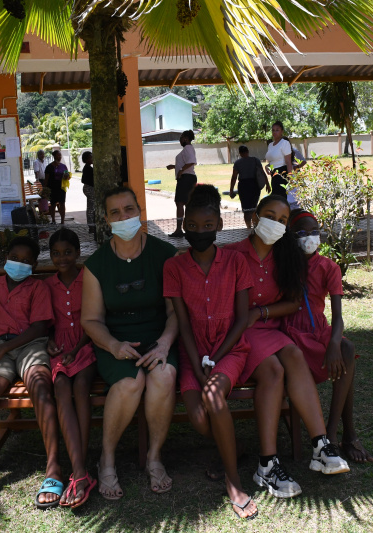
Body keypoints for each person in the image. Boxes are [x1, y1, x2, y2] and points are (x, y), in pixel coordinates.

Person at [227, 195, 350, 493]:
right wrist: (250, 317)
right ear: (253, 218)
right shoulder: (232, 255)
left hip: (269, 326)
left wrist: (262, 312)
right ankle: (267, 464)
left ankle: (320, 446)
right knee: (273, 371)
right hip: (240, 331)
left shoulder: (284, 256)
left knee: (293, 356)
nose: (275, 224)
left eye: (282, 221)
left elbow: (293, 302)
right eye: (269, 216)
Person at [163, 184, 258, 520]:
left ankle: (234, 483)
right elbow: (184, 324)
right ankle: (237, 447)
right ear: (184, 225)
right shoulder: (174, 267)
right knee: (200, 419)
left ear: (219, 224)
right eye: (192, 226)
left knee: (215, 398)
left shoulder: (235, 261)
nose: (199, 232)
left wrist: (217, 358)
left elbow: (243, 317)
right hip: (192, 352)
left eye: (207, 226)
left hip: (229, 350)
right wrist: (198, 361)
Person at [81, 186, 179, 500]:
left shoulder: (165, 255)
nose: (124, 217)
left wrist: (164, 343)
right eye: (115, 212)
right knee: (130, 382)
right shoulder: (96, 265)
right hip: (115, 339)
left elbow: (175, 312)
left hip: (159, 335)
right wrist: (112, 345)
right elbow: (91, 320)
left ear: (139, 211)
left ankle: (155, 456)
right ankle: (106, 459)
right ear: (106, 220)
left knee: (163, 376)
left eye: (129, 209)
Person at [0, 236, 62, 513]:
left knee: (42, 387)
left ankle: (53, 468)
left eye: (27, 260)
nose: (20, 263)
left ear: (34, 264)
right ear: (6, 258)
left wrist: (5, 347)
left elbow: (39, 328)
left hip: (29, 345)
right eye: (15, 257)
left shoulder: (37, 287)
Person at [286, 210, 373, 464]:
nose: (310, 238)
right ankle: (347, 435)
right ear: (292, 236)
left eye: (315, 232)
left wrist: (334, 342)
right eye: (302, 233)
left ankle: (332, 433)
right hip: (291, 333)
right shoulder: (283, 264)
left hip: (319, 332)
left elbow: (338, 315)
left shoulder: (328, 267)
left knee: (347, 350)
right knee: (348, 366)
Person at [44, 228, 97, 508]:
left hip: (86, 344)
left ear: (78, 253)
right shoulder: (47, 285)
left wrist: (77, 349)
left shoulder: (89, 278)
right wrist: (51, 343)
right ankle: (80, 472)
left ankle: (80, 469)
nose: (62, 258)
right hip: (60, 350)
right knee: (61, 386)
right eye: (56, 253)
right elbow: (45, 325)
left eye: (68, 252)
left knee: (81, 387)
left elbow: (95, 319)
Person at [230, 145, 270, 229]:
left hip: (243, 186)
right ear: (248, 151)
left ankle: (248, 227)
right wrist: (268, 185)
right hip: (254, 185)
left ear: (240, 153)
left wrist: (231, 190)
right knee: (254, 208)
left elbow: (234, 177)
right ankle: (255, 226)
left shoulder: (238, 163)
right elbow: (262, 173)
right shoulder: (255, 160)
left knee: (246, 210)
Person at [166, 130, 197, 238]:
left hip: (186, 178)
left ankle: (180, 229)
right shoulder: (187, 149)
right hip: (187, 178)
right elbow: (187, 163)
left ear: (186, 139)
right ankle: (188, 228)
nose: (180, 140)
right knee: (186, 203)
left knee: (180, 203)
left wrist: (180, 171)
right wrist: (175, 167)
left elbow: (192, 161)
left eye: (181, 137)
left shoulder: (188, 148)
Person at [264, 121, 296, 207]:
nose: (275, 132)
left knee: (279, 200)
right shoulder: (270, 145)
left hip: (282, 173)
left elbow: (288, 162)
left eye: (277, 130)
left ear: (282, 131)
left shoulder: (284, 143)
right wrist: (267, 166)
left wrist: (291, 177)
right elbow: (273, 161)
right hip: (274, 174)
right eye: (273, 130)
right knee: (276, 200)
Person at [45, 150, 68, 224]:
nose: (60, 157)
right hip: (52, 187)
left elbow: (67, 176)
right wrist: (45, 189)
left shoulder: (63, 166)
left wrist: (67, 176)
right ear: (54, 156)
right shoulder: (49, 167)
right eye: (58, 155)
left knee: (62, 203)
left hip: (61, 187)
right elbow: (46, 179)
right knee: (53, 204)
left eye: (60, 155)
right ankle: (53, 220)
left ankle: (62, 221)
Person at [81, 151, 96, 236]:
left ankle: (91, 226)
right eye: (90, 157)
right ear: (86, 159)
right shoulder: (88, 168)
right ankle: (91, 226)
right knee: (91, 208)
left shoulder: (88, 167)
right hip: (89, 188)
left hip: (89, 188)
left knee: (91, 207)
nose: (92, 159)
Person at [33, 149, 49, 216]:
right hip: (40, 181)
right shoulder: (36, 162)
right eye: (40, 154)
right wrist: (37, 181)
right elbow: (36, 172)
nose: (42, 155)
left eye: (43, 154)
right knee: (41, 195)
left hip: (46, 180)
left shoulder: (45, 161)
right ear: (38, 155)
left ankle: (46, 209)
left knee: (46, 194)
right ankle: (42, 210)